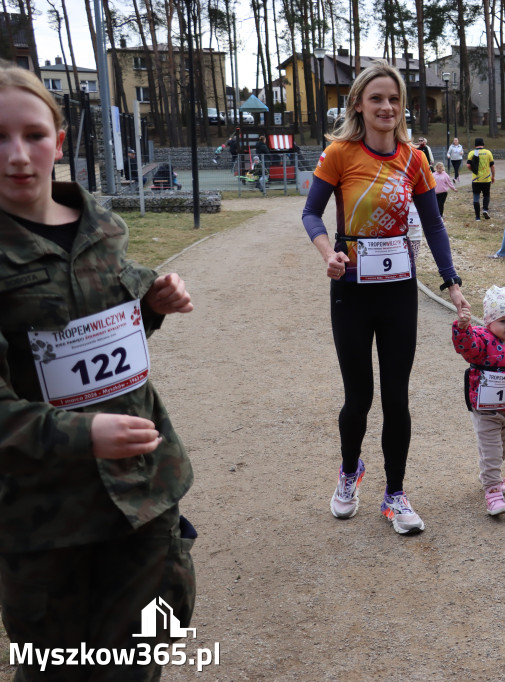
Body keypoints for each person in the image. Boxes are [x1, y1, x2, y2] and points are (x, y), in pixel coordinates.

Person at [0, 62, 197, 679]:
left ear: (59, 141)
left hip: (142, 494)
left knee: (138, 660)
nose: (17, 156)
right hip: (45, 522)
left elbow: (105, 321)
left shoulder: (102, 224)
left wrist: (151, 305)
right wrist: (83, 435)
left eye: (34, 135)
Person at [300, 60, 470, 534]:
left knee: (396, 397)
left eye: (393, 99)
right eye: (376, 98)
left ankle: (395, 495)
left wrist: (452, 282)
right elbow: (311, 215)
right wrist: (326, 255)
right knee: (359, 398)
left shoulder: (413, 159)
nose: (386, 107)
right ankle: (350, 470)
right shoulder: (339, 154)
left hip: (399, 293)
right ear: (359, 103)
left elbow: (433, 223)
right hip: (350, 292)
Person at [452, 286, 505, 515]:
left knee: (502, 449)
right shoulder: (480, 340)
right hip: (486, 410)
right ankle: (492, 492)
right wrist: (462, 328)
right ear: (489, 322)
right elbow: (466, 346)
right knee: (491, 451)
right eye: (503, 321)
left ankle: (492, 475)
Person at [466, 137, 495, 221]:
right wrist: (493, 176)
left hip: (476, 180)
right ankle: (485, 209)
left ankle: (477, 217)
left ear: (475, 145)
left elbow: (468, 165)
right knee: (486, 195)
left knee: (476, 197)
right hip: (486, 179)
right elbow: (492, 166)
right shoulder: (488, 152)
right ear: (483, 144)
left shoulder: (472, 153)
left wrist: (473, 171)